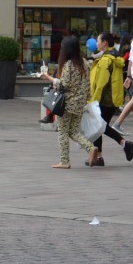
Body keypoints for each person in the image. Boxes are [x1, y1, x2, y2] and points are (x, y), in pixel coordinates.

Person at [40, 35, 98, 169]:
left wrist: (48, 77)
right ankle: (90, 148)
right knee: (73, 131)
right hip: (80, 103)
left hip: (66, 104)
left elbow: (63, 85)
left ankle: (64, 161)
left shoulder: (69, 64)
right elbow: (88, 84)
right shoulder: (85, 63)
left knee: (63, 132)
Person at [87, 32, 133, 165]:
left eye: (98, 40)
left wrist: (93, 101)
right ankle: (99, 157)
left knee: (100, 126)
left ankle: (124, 143)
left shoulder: (105, 60)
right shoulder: (116, 56)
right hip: (114, 98)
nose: (96, 43)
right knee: (100, 126)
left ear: (105, 43)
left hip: (104, 99)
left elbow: (100, 84)